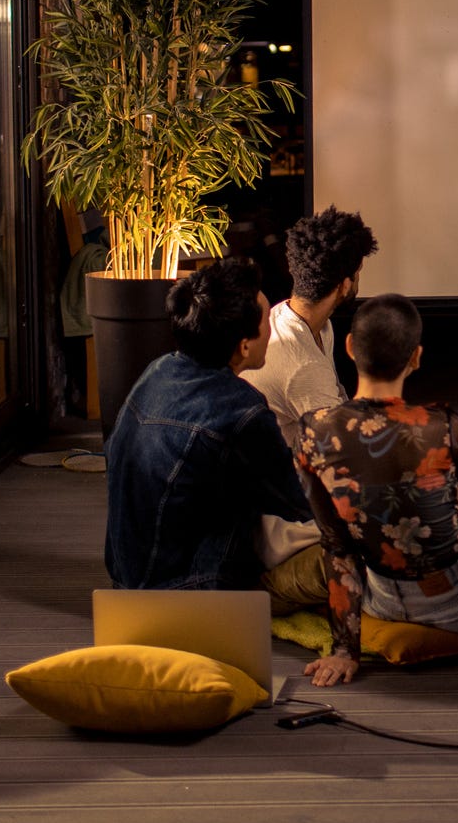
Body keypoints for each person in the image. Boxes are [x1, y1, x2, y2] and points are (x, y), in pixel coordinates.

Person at [294, 295, 458, 686]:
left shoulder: (313, 430)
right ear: (416, 357)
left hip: (383, 599)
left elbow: (336, 545)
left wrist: (345, 650)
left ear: (348, 347)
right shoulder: (441, 425)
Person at [103, 258, 329, 614]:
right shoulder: (242, 410)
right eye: (267, 320)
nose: (273, 325)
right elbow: (298, 503)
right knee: (349, 540)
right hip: (187, 588)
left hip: (126, 577)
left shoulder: (158, 370)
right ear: (244, 346)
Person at [260, 206, 377, 449]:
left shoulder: (308, 323)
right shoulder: (304, 366)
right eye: (358, 274)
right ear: (345, 285)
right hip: (292, 479)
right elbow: (344, 447)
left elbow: (338, 401)